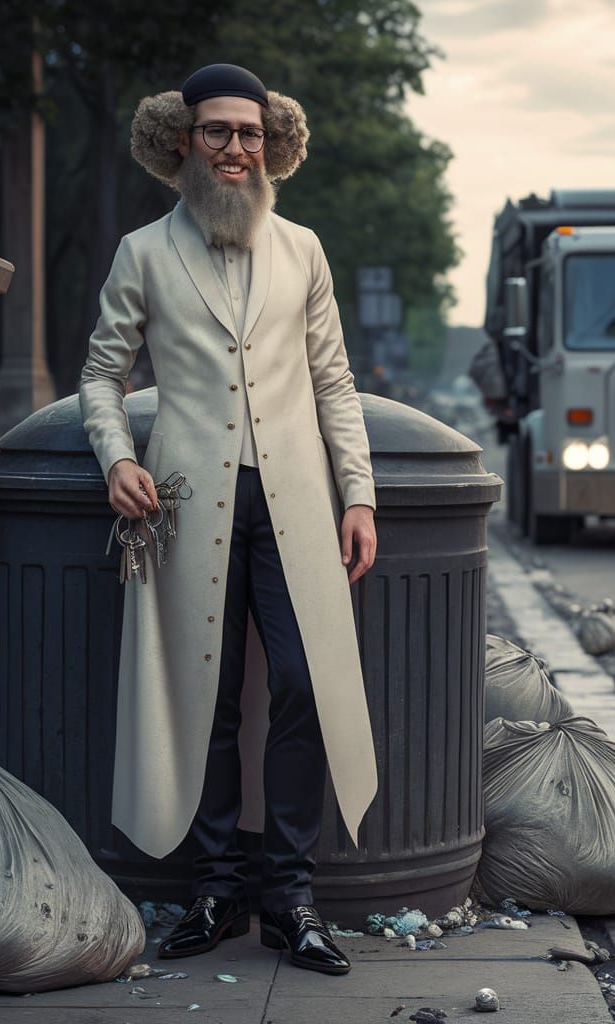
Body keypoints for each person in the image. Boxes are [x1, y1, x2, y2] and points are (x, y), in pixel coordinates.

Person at [79, 63, 378, 976]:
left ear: (272, 144)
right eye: (217, 132)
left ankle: (289, 895)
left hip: (297, 504)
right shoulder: (143, 252)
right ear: (184, 141)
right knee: (202, 695)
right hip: (182, 505)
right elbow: (102, 375)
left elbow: (333, 380)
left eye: (250, 134)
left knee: (301, 685)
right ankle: (212, 890)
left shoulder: (304, 250)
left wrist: (359, 493)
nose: (235, 148)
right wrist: (118, 456)